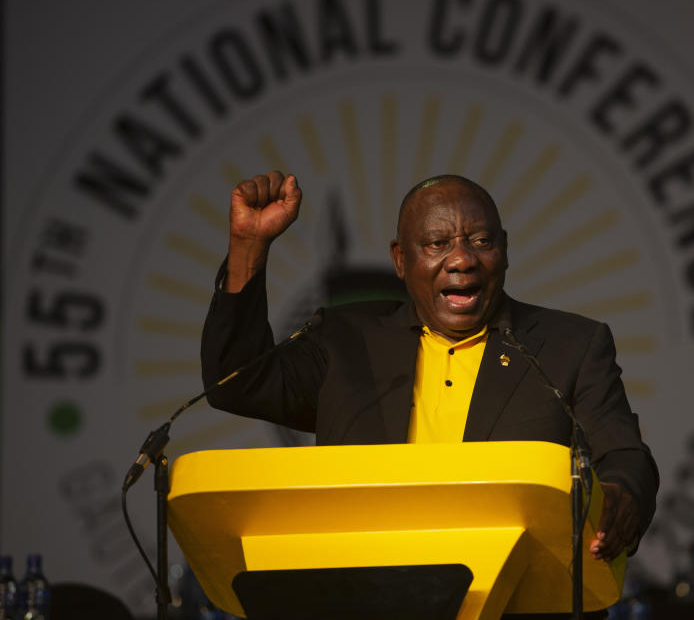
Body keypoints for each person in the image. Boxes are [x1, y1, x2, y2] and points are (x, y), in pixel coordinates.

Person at [201, 171, 659, 613]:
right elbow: (237, 382)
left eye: (481, 241)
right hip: (369, 603)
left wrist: (621, 495)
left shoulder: (569, 346)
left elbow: (623, 454)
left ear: (504, 249)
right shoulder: (346, 341)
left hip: (522, 604)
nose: (462, 260)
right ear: (401, 260)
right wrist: (248, 246)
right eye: (438, 244)